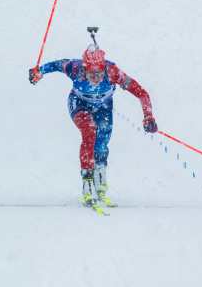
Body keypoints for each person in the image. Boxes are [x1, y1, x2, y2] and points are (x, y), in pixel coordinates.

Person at [28, 43, 158, 208]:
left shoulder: (113, 72)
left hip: (103, 107)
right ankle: (87, 180)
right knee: (89, 131)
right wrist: (38, 72)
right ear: (84, 71)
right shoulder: (75, 68)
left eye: (99, 75)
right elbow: (56, 65)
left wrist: (148, 116)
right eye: (91, 75)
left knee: (102, 142)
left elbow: (141, 93)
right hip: (79, 103)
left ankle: (100, 170)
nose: (96, 79)